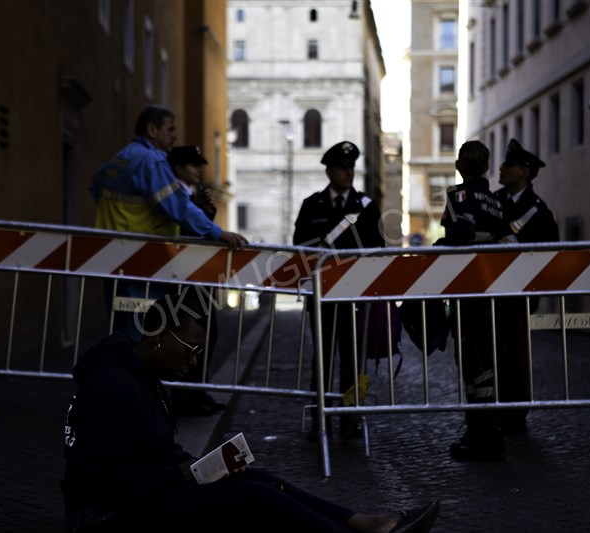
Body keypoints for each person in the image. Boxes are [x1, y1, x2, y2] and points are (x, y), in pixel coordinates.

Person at [61, 288, 440, 533]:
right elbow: (98, 480)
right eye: (191, 350)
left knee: (259, 479)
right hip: (107, 517)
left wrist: (204, 466)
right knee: (260, 500)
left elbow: (158, 452)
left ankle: (363, 523)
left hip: (145, 494)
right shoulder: (116, 388)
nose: (195, 361)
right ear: (161, 337)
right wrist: (180, 474)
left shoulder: (144, 379)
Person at [90, 105, 247, 343]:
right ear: (152, 130)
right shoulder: (152, 161)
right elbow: (177, 206)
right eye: (170, 129)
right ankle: (133, 377)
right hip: (141, 258)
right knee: (141, 328)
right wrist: (217, 233)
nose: (175, 136)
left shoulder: (121, 157)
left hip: (113, 256)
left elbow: (95, 187)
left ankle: (121, 373)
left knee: (120, 325)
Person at [293, 141, 385, 441]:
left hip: (354, 298)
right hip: (322, 297)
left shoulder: (366, 207)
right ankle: (320, 418)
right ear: (330, 170)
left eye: (351, 168)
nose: (349, 173)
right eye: (343, 168)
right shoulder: (312, 205)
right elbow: (300, 247)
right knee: (321, 359)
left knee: (352, 359)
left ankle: (350, 416)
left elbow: (378, 249)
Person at [436, 140, 510, 462]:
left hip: (467, 288)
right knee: (486, 357)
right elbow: (509, 240)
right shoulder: (496, 201)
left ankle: (483, 432)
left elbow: (461, 234)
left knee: (471, 358)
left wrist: (440, 244)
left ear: (458, 166)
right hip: (491, 287)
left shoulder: (458, 195)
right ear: (487, 167)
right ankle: (483, 427)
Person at [493, 139, 560, 436]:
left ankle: (516, 412)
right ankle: (493, 409)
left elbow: (549, 251)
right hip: (489, 291)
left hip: (519, 293)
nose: (502, 168)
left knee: (515, 354)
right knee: (493, 354)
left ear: (524, 171)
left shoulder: (537, 211)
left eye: (508, 165)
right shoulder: (494, 201)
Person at [166, 145, 226, 417]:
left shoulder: (193, 195)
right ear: (179, 168)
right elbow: (187, 229)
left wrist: (209, 214)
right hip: (180, 275)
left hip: (196, 274)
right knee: (190, 335)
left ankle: (196, 389)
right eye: (193, 165)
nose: (200, 169)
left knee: (208, 332)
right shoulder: (176, 195)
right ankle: (185, 394)